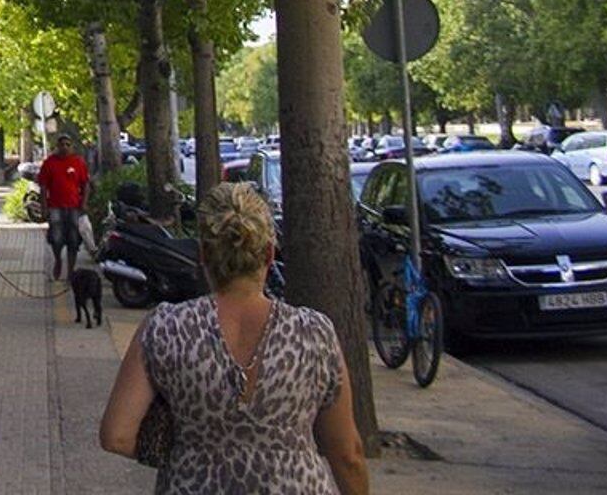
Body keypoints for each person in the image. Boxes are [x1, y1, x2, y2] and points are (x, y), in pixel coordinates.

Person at [98, 182, 368, 494]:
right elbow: (348, 454)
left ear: (203, 255)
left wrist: (184, 454)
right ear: (268, 253)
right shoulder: (314, 333)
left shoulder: (166, 327)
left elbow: (116, 435)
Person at [38, 133, 90, 279]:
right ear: (57, 147)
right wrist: (44, 207)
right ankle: (58, 260)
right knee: (56, 238)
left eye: (68, 144)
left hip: (74, 207)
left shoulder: (78, 162)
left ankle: (70, 271)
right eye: (62, 145)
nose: (65, 147)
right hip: (55, 207)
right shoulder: (49, 163)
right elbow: (43, 187)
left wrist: (84, 203)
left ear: (72, 146)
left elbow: (85, 184)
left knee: (73, 239)